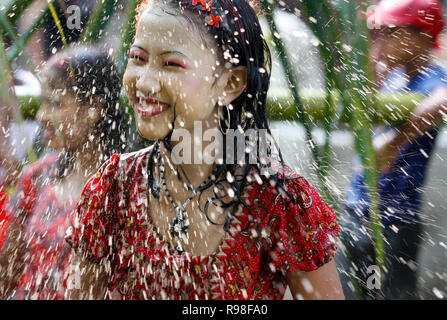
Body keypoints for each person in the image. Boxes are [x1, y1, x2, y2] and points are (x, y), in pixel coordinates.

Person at [65, 0, 343, 300]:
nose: (144, 82)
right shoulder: (112, 191)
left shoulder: (279, 201)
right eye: (137, 58)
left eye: (171, 64)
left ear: (230, 84)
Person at [0, 46, 127, 300]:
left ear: (94, 109)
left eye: (55, 104)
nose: (41, 116)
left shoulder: (124, 191)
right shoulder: (36, 177)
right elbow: (5, 273)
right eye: (42, 103)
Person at [343, 0, 447, 299]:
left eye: (393, 33)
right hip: (357, 210)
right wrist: (378, 57)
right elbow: (358, 101)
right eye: (381, 33)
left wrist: (394, 144)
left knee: (389, 295)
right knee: (352, 292)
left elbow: (442, 101)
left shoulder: (433, 79)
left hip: (394, 221)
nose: (384, 40)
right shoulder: (392, 76)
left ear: (421, 37)